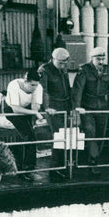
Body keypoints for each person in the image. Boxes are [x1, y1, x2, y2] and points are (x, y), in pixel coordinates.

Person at [71, 46, 109, 175]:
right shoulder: (84, 70)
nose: (101, 61)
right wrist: (77, 107)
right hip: (87, 108)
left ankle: (93, 156)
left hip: (102, 108)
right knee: (90, 131)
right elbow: (78, 89)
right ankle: (93, 160)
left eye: (102, 58)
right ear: (92, 58)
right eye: (98, 59)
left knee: (101, 134)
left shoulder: (106, 70)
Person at [39, 47, 72, 182]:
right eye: (61, 63)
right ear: (53, 59)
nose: (63, 66)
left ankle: (63, 166)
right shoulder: (44, 70)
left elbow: (67, 89)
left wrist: (71, 107)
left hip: (65, 106)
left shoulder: (62, 69)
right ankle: (55, 168)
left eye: (65, 63)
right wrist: (47, 108)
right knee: (59, 136)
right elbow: (43, 90)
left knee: (66, 135)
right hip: (53, 107)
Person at [5, 68, 44, 181]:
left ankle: (26, 169)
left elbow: (35, 106)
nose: (34, 88)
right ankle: (27, 170)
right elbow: (16, 109)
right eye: (32, 85)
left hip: (27, 110)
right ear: (25, 81)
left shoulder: (38, 87)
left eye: (36, 85)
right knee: (29, 136)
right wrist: (35, 113)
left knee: (30, 137)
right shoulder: (13, 85)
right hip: (11, 110)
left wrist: (35, 112)